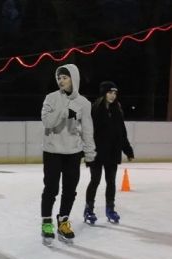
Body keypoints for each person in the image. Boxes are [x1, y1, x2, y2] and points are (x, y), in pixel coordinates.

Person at [40, 64, 96, 246]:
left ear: (74, 78)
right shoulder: (51, 98)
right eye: (59, 78)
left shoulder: (84, 104)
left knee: (70, 190)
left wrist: (89, 152)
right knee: (51, 189)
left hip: (73, 152)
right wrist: (64, 111)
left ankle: (63, 221)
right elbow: (47, 122)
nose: (61, 80)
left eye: (64, 77)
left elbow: (87, 129)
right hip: (52, 151)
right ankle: (47, 222)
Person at [84, 81, 134, 224]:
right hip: (96, 153)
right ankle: (89, 209)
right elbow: (87, 132)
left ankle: (110, 209)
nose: (113, 95)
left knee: (111, 182)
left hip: (112, 152)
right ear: (104, 93)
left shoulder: (117, 110)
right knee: (95, 181)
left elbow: (121, 133)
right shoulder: (95, 109)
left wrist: (128, 150)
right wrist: (87, 152)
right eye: (110, 92)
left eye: (114, 93)